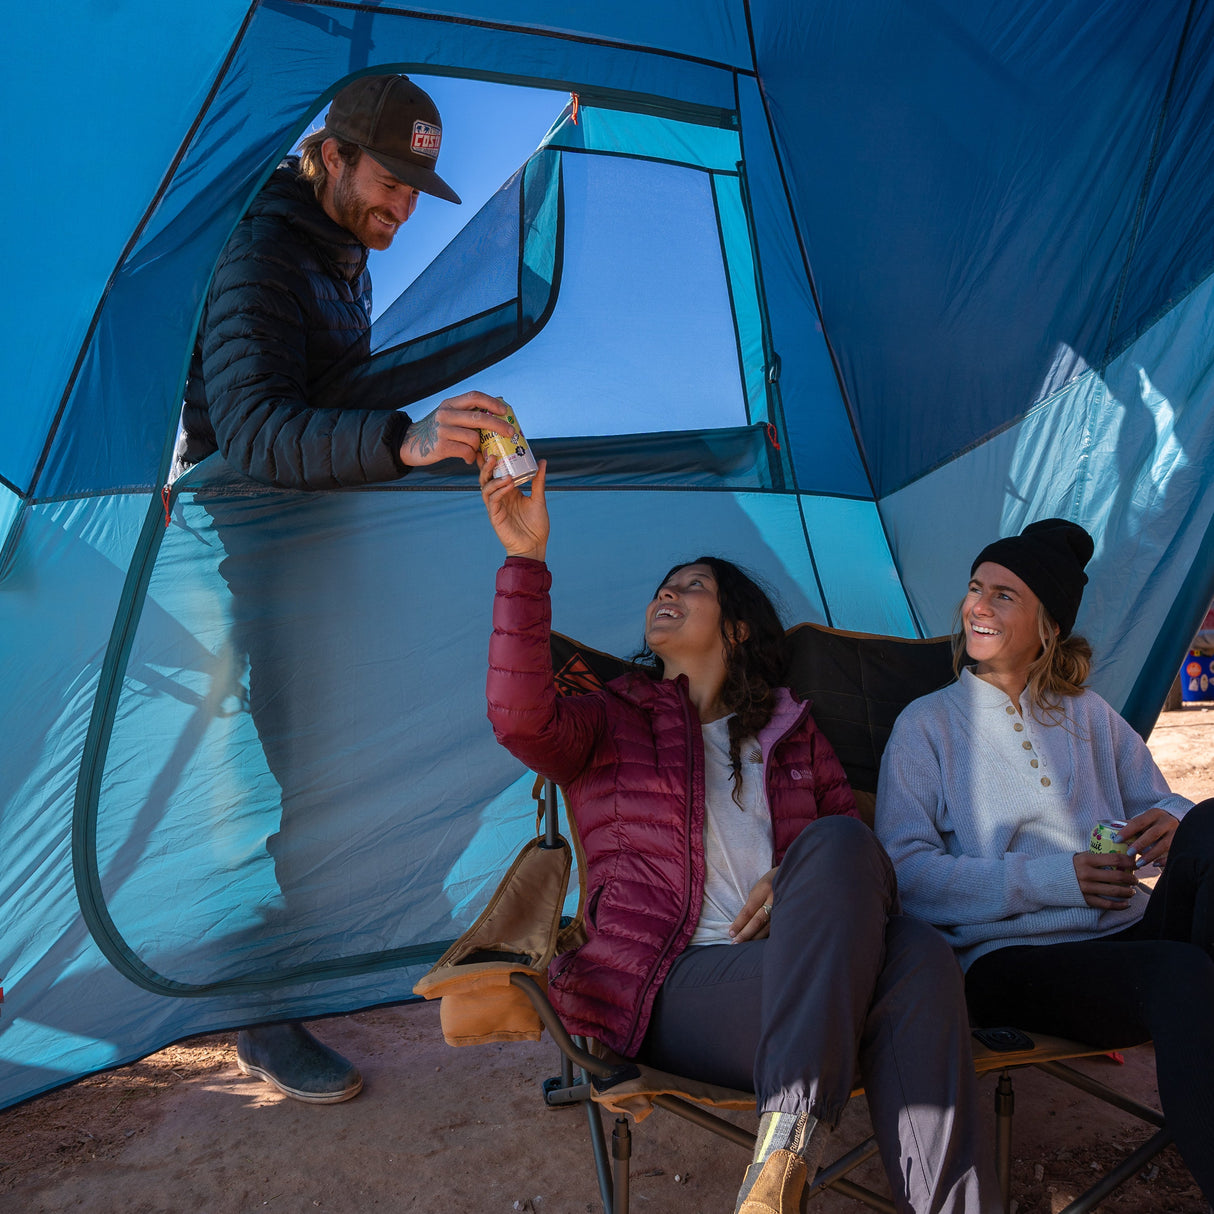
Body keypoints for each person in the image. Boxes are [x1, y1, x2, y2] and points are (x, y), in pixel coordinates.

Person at [479, 457, 997, 1214]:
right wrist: (525, 559)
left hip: (806, 971)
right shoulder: (611, 716)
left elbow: (863, 869)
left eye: (693, 586)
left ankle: (798, 1162)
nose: (667, 593)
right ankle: (790, 1139)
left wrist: (798, 882)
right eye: (664, 587)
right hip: (675, 982)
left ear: (738, 626)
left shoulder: (794, 733)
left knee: (902, 928)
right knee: (909, 962)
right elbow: (520, 720)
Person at [172, 73, 516, 1104]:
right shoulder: (261, 252)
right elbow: (252, 428)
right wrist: (400, 442)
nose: (402, 208)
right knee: (305, 765)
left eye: (416, 189)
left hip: (322, 530)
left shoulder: (340, 255)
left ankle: (378, 918)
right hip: (257, 542)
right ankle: (265, 1001)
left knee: (414, 717)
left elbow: (327, 398)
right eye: (389, 181)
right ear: (330, 155)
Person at [874, 518, 1214, 1202]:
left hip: (1125, 933)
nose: (978, 605)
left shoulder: (1087, 713)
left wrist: (1172, 822)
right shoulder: (926, 725)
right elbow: (905, 876)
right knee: (1181, 975)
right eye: (976, 587)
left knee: (1208, 823)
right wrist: (1055, 878)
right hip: (1009, 960)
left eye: (1004, 595)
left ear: (1048, 626)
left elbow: (1159, 799)